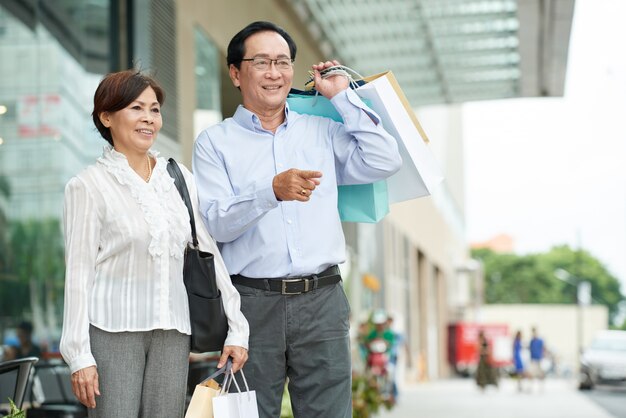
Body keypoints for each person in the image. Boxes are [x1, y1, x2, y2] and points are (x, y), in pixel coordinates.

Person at [192, 21, 402, 418]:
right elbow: (216, 225)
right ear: (236, 73)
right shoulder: (214, 143)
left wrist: (342, 97)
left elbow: (384, 159)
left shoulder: (322, 130)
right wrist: (269, 191)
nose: (275, 72)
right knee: (248, 413)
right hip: (250, 304)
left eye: (283, 62)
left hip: (322, 299)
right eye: (262, 62)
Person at [60, 69, 249, 417]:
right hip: (114, 330)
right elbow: (78, 274)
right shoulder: (88, 185)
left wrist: (237, 326)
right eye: (136, 108)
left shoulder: (177, 177)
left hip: (173, 331)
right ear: (106, 116)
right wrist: (78, 354)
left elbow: (207, 252)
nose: (148, 118)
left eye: (155, 109)